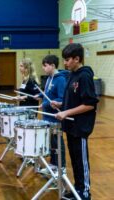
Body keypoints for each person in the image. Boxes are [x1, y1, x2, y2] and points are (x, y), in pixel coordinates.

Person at [54, 43, 99, 200]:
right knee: (74, 160)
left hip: (80, 127)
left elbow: (89, 104)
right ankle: (78, 189)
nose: (65, 63)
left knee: (81, 161)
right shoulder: (71, 75)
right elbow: (74, 100)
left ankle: (85, 193)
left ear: (77, 59)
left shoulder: (84, 76)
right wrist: (60, 104)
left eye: (67, 60)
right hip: (71, 126)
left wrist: (67, 112)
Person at [37, 55, 68, 174]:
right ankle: (54, 165)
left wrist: (57, 103)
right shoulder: (49, 78)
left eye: (45, 66)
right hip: (47, 116)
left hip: (55, 117)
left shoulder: (60, 80)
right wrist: (42, 102)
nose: (43, 68)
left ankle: (62, 167)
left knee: (58, 142)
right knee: (52, 143)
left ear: (53, 65)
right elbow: (48, 94)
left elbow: (62, 98)